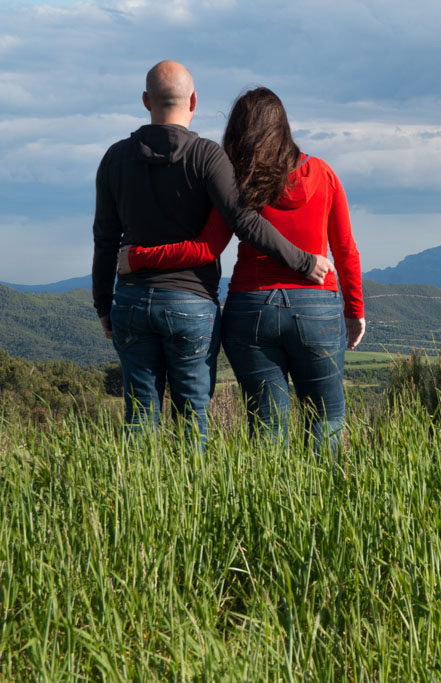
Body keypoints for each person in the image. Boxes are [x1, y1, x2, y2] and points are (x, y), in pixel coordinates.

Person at [92, 60, 334, 446]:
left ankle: (134, 501)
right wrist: (305, 262)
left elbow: (104, 239)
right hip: (191, 304)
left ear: (144, 100)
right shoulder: (208, 158)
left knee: (139, 414)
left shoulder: (115, 158)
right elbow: (246, 223)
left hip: (132, 300)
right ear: (194, 101)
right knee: (192, 417)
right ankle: (190, 500)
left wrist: (103, 304)